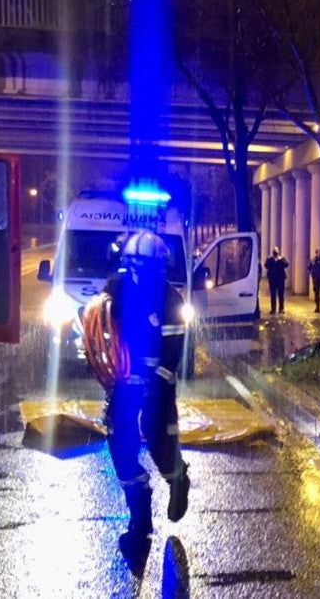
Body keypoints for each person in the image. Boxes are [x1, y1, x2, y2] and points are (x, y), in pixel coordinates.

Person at [80, 231, 191, 571]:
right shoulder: (117, 288)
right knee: (120, 445)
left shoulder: (172, 301)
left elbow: (174, 354)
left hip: (158, 383)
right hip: (124, 383)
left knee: (160, 441)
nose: (151, 270)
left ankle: (177, 478)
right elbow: (99, 317)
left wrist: (153, 380)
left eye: (156, 265)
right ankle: (140, 523)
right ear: (130, 264)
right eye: (143, 263)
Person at [264, 247, 289, 314]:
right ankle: (273, 309)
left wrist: (282, 260)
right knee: (273, 294)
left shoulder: (281, 259)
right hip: (272, 279)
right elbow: (266, 265)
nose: (275, 252)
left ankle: (281, 308)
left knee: (281, 294)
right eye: (274, 251)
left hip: (280, 279)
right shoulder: (269, 259)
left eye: (276, 251)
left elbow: (287, 265)